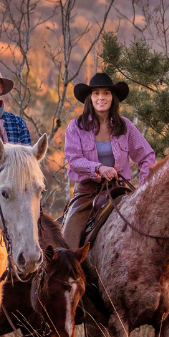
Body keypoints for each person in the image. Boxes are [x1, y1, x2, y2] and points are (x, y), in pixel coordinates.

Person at [62, 72, 154, 250]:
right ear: (90, 97)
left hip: (119, 190)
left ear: (113, 98)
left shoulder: (125, 126)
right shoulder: (76, 126)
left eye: (106, 93)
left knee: (157, 225)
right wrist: (99, 168)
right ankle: (69, 274)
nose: (101, 97)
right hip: (87, 193)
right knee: (69, 241)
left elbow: (146, 156)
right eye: (96, 93)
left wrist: (143, 190)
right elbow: (74, 160)